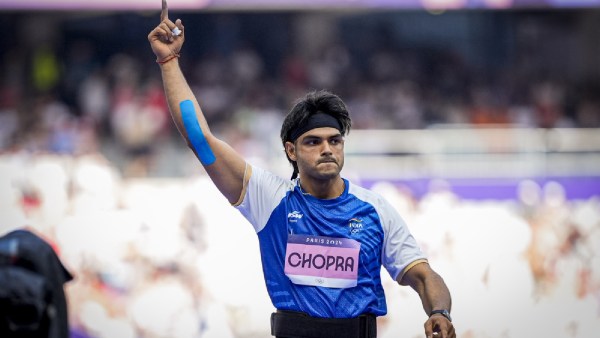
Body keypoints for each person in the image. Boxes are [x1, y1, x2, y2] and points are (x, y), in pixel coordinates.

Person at [148, 1, 455, 337]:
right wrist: (168, 61)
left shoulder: (375, 210)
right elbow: (199, 138)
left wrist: (440, 312)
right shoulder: (269, 197)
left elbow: (424, 276)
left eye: (334, 140)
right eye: (313, 142)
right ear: (290, 151)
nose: (327, 149)